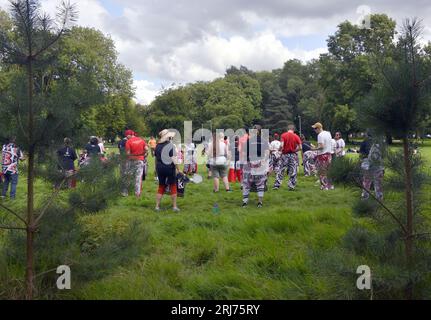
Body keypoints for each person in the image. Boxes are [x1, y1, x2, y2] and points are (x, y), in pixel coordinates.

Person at [240, 125, 270, 208]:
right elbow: (267, 153)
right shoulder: (264, 141)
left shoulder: (248, 141)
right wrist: (264, 163)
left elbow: (243, 153)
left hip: (249, 164)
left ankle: (245, 202)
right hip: (260, 164)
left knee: (246, 184)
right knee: (260, 184)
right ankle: (260, 202)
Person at [155, 129, 181, 212]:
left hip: (159, 167)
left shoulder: (157, 145)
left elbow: (156, 158)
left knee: (161, 186)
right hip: (169, 168)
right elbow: (174, 159)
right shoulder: (171, 146)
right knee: (173, 185)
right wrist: (178, 169)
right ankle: (174, 207)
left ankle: (157, 207)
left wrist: (156, 169)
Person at [273, 124, 302, 191]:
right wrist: (295, 150)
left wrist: (279, 150)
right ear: (293, 130)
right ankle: (291, 186)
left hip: (284, 155)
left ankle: (277, 185)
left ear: (287, 129)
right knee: (293, 170)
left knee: (281, 169)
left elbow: (282, 145)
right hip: (293, 155)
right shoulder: (296, 136)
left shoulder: (283, 135)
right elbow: (300, 147)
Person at [123, 130, 148, 198]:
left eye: (126, 135)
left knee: (127, 176)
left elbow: (128, 153)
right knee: (138, 177)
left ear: (129, 134)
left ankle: (125, 192)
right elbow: (146, 149)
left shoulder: (128, 141)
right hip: (140, 160)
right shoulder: (141, 140)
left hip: (131, 161)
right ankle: (137, 194)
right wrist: (143, 154)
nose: (126, 137)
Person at [360, 133, 384, 201]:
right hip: (377, 166)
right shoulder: (381, 144)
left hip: (368, 166)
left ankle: (365, 197)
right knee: (378, 183)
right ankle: (379, 198)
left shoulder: (364, 142)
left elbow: (361, 155)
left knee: (366, 182)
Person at [311, 122, 334, 190]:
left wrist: (314, 148)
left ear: (318, 128)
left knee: (322, 172)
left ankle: (324, 186)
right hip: (329, 155)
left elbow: (321, 147)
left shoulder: (320, 135)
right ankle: (330, 186)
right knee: (328, 171)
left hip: (322, 155)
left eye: (315, 128)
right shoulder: (328, 133)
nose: (314, 130)